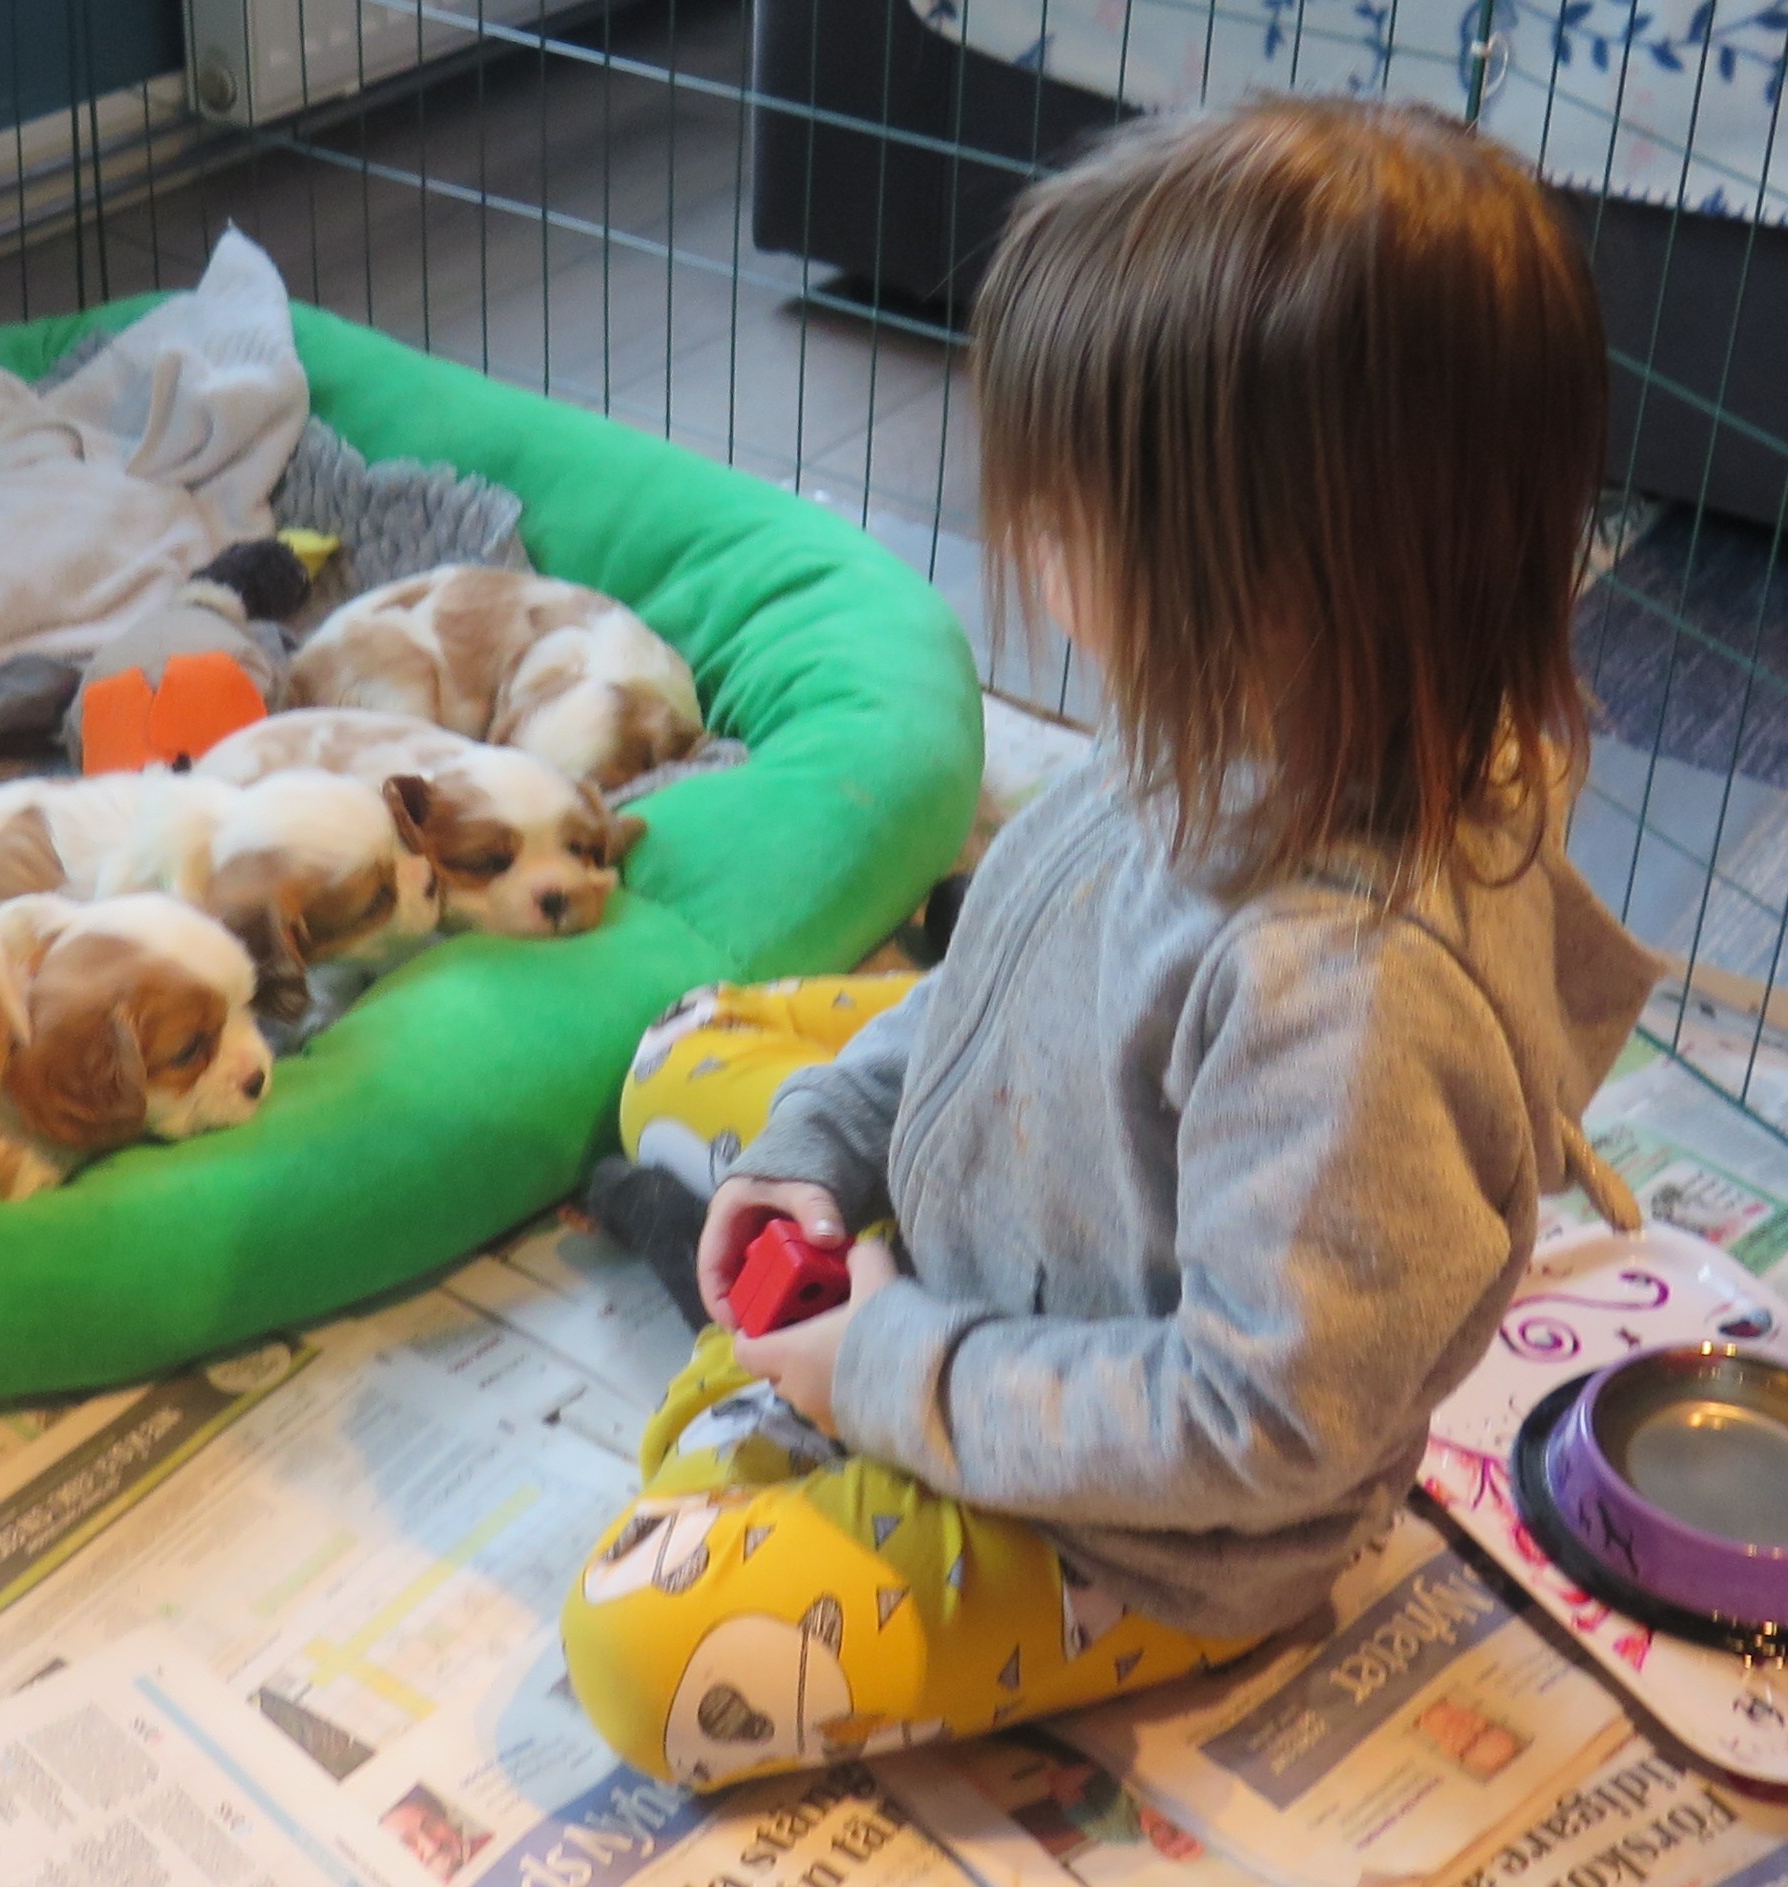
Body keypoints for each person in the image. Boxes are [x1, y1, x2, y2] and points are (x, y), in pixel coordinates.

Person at [560, 96, 1660, 1791]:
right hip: (990, 1252)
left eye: (1067, 513)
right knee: (681, 1051)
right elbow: (1002, 981)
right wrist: (816, 1148)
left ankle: (782, 1383)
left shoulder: (1353, 989)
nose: (1023, 542)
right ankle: (795, 1315)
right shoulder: (1222, 720)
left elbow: (1254, 1427)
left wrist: (884, 1370)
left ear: (1280, 573)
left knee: (647, 1643)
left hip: (1138, 1535)